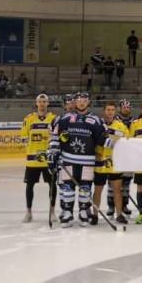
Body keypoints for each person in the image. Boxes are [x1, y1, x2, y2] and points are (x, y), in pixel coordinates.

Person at [48, 91, 108, 227]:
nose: (81, 102)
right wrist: (53, 153)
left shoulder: (96, 120)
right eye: (79, 99)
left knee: (85, 188)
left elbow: (103, 138)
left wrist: (117, 144)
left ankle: (83, 212)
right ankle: (68, 212)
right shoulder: (64, 118)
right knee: (68, 187)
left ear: (88, 102)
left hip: (87, 161)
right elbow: (55, 136)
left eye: (84, 100)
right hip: (68, 159)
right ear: (75, 102)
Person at [91, 102, 130, 226]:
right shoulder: (98, 124)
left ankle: (119, 214)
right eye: (108, 109)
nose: (110, 112)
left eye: (112, 109)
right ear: (104, 111)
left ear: (115, 111)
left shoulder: (121, 126)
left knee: (117, 190)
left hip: (115, 163)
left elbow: (127, 142)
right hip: (100, 162)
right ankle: (95, 215)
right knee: (98, 190)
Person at [20, 93, 56, 223]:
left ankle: (52, 212)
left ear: (48, 103)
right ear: (36, 104)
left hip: (48, 159)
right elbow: (23, 137)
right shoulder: (29, 119)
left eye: (44, 101)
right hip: (32, 160)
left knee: (52, 185)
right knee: (29, 186)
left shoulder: (53, 118)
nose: (42, 103)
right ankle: (28, 212)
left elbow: (56, 136)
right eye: (40, 101)